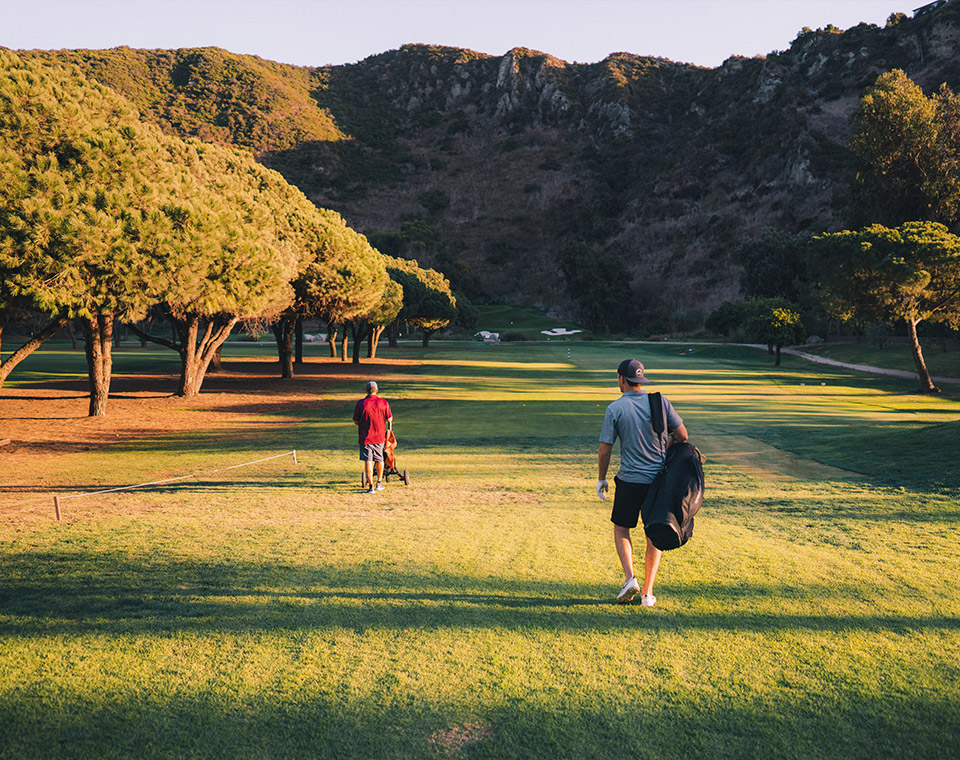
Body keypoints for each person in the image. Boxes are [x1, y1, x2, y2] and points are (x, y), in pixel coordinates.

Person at [597, 359, 688, 606]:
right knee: (654, 533)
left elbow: (605, 449)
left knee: (621, 528)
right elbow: (682, 435)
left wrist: (601, 479)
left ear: (621, 379)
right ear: (640, 379)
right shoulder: (660, 402)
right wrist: (665, 446)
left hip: (629, 481)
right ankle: (647, 593)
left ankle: (630, 579)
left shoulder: (615, 409)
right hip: (658, 482)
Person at [353, 380, 393, 494]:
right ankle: (379, 482)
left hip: (365, 437)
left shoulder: (361, 403)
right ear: (377, 390)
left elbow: (356, 420)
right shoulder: (383, 403)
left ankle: (370, 486)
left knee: (368, 461)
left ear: (366, 390)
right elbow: (389, 418)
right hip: (379, 437)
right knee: (380, 459)